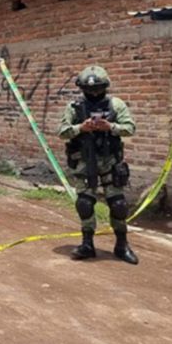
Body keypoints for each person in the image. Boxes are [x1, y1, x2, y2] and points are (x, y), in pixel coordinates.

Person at [58, 66, 138, 265]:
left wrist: (110, 127)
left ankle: (122, 245)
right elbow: (62, 132)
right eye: (89, 89)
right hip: (85, 162)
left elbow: (130, 128)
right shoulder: (74, 107)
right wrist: (81, 128)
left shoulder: (116, 104)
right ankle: (87, 245)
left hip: (110, 161)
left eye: (98, 89)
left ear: (105, 86)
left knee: (118, 205)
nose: (94, 93)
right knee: (84, 204)